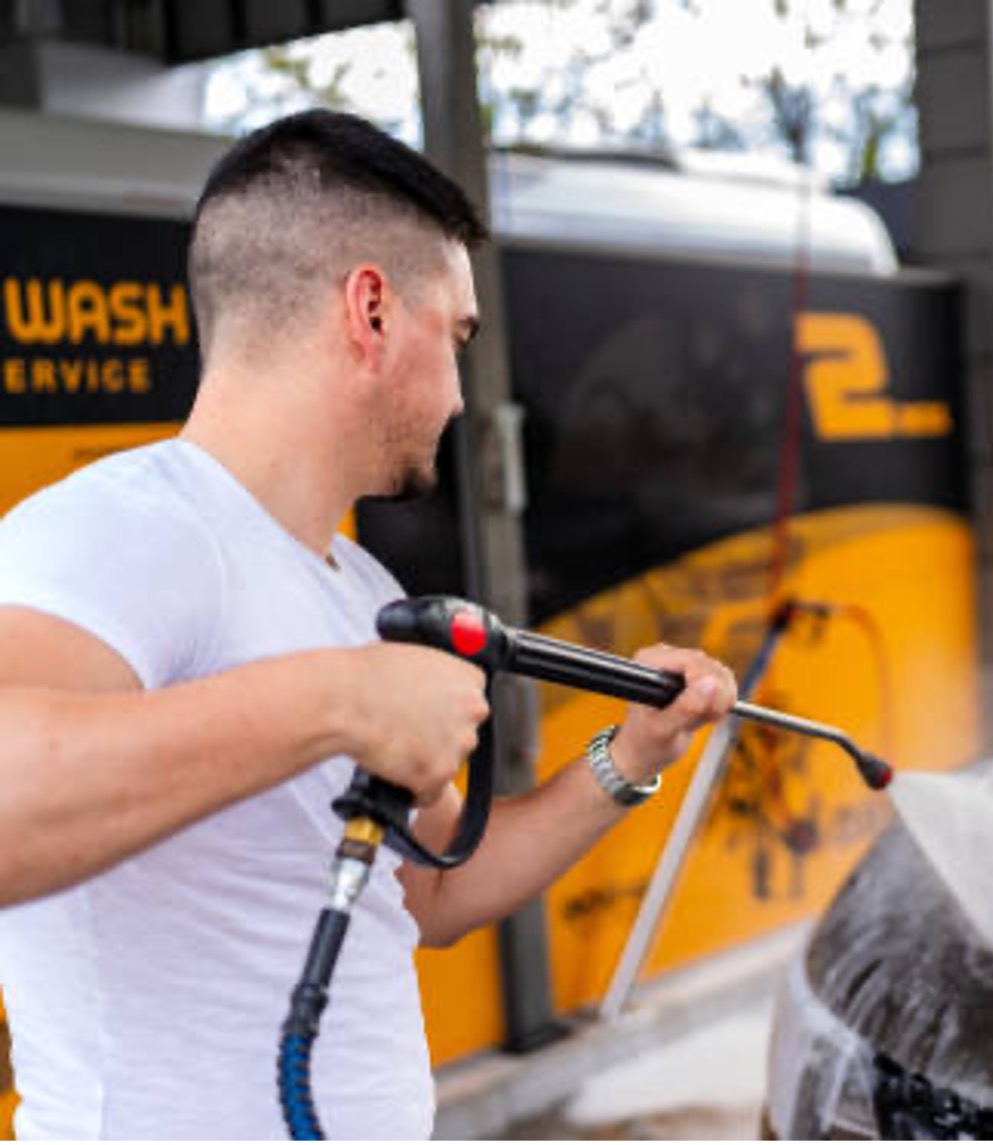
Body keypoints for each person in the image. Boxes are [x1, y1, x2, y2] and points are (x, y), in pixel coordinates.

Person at [0, 110, 737, 1139]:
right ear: (374, 313)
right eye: (460, 335)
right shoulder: (123, 528)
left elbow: (427, 900)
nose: (461, 390)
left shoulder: (355, 583)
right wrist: (336, 698)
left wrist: (627, 757)